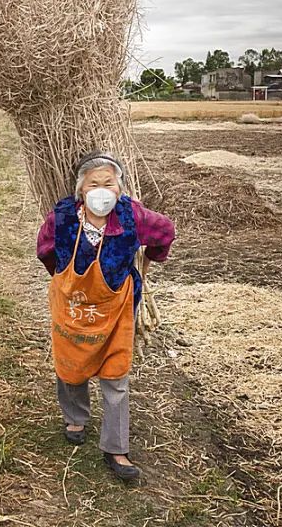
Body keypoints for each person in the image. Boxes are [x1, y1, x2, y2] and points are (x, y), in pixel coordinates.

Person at [36, 151, 176, 482]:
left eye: (109, 183)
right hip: (73, 304)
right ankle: (75, 418)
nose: (102, 190)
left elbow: (165, 232)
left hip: (116, 309)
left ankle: (117, 448)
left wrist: (150, 259)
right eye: (93, 184)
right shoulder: (64, 217)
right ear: (80, 189)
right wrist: (63, 279)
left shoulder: (132, 215)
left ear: (120, 188)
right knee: (71, 365)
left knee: (116, 375)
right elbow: (44, 249)